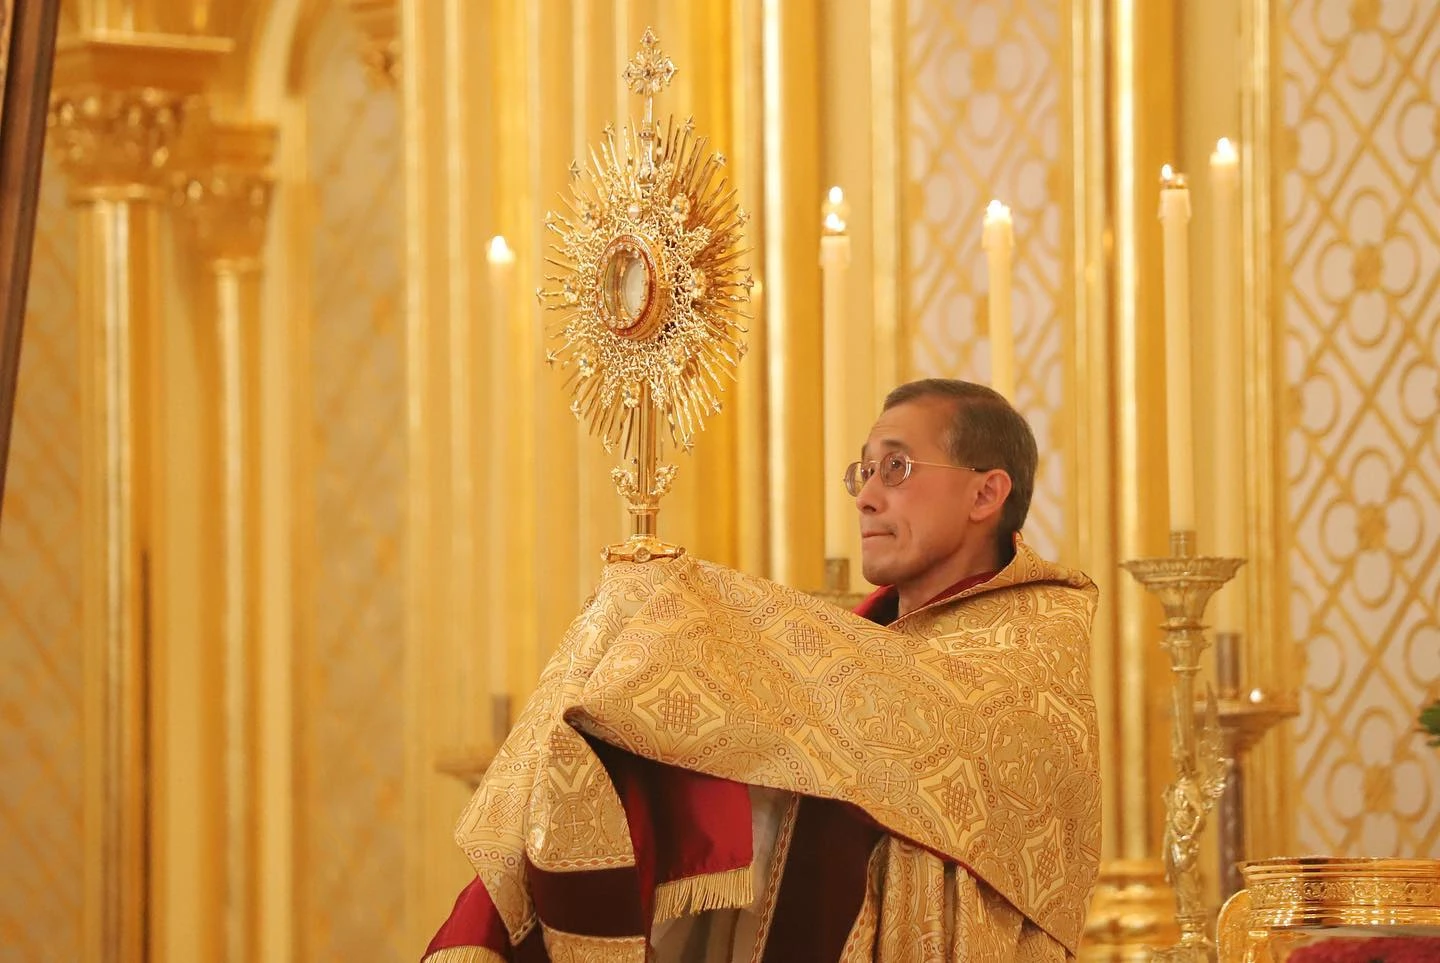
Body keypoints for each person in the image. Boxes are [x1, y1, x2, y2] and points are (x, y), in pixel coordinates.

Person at [423, 378, 1101, 962]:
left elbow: (920, 741)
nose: (866, 497)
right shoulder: (854, 652)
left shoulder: (1030, 660)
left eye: (895, 468)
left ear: (986, 494)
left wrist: (682, 611)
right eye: (861, 473)